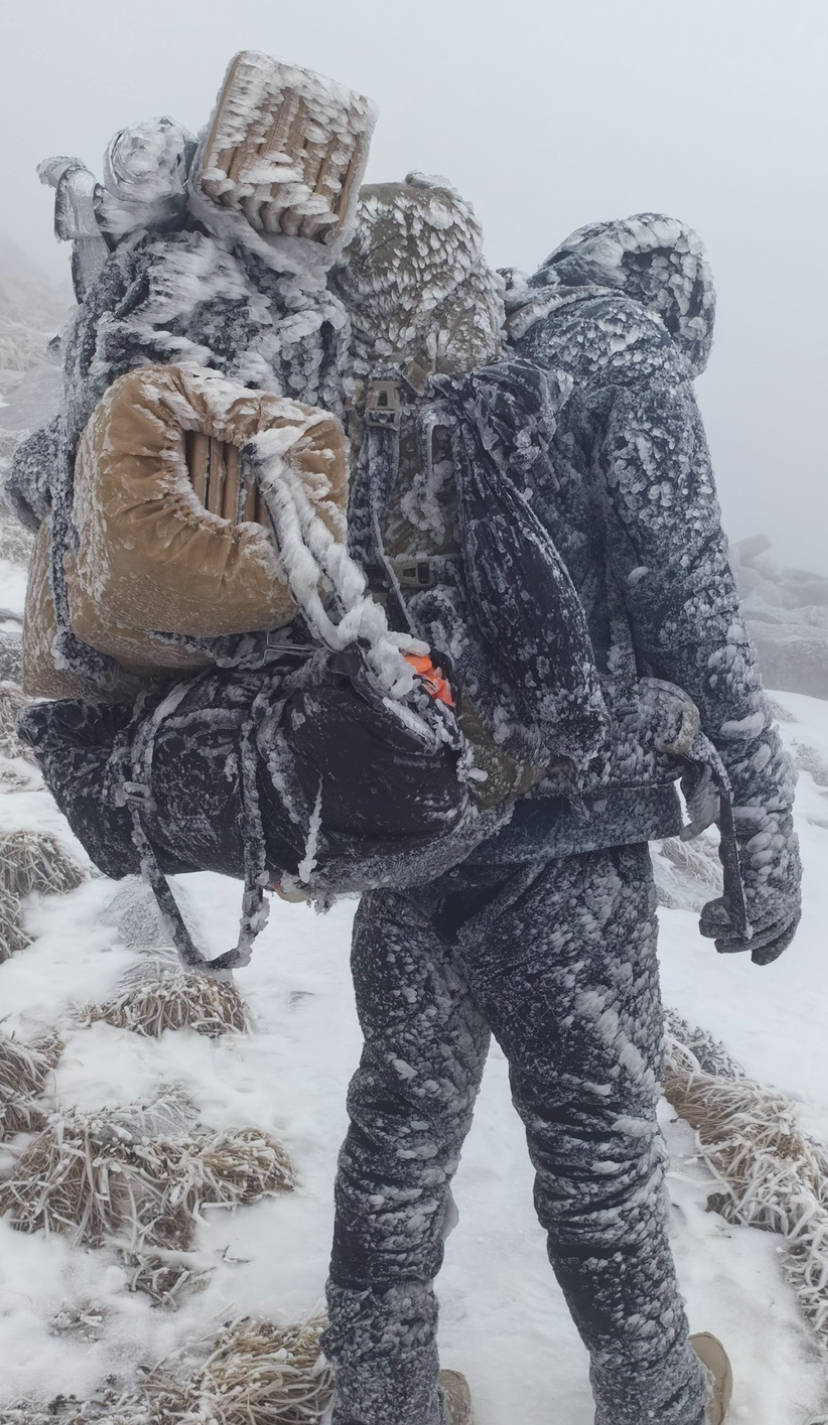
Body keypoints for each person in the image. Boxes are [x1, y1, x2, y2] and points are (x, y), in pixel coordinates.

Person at [320, 184, 802, 1425]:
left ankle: (381, 1399)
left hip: (411, 821)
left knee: (399, 1130)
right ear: (675, 310)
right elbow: (692, 607)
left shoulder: (447, 352)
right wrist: (760, 814)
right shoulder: (625, 355)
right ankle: (655, 1400)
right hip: (565, 845)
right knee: (597, 1149)